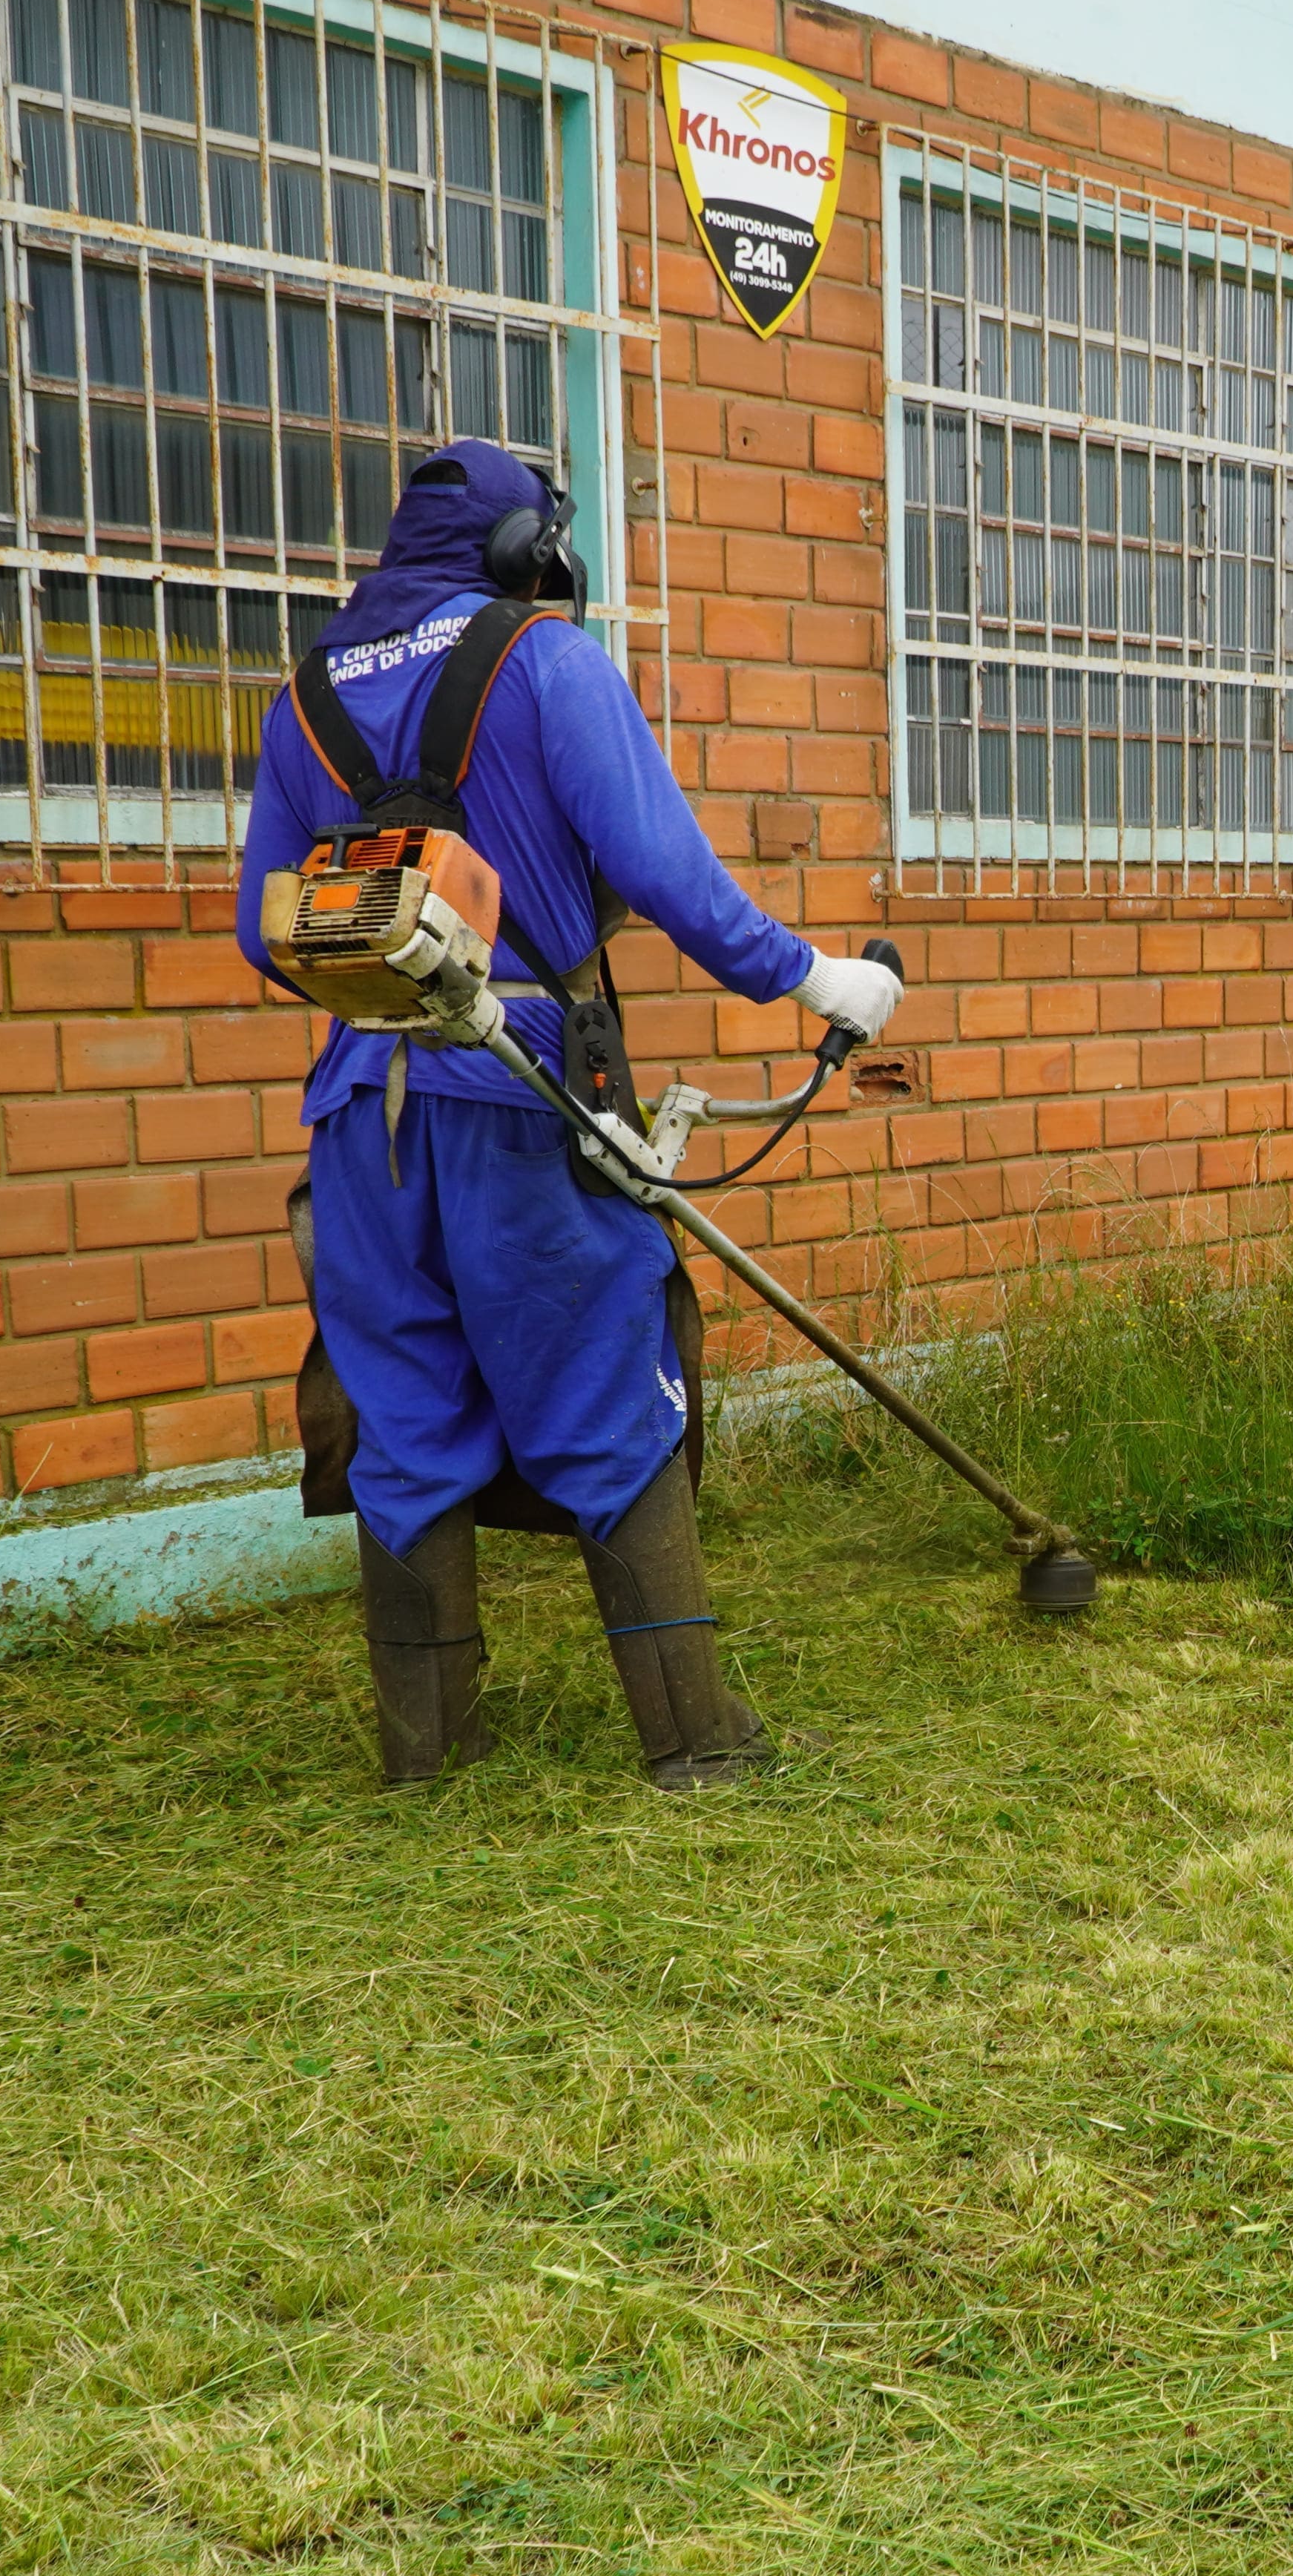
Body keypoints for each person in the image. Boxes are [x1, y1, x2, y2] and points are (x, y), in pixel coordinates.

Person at [234, 441, 903, 1788]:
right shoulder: (545, 661)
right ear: (521, 551)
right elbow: (668, 874)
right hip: (524, 1090)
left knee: (403, 1415)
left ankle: (427, 1759)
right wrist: (825, 978)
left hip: (362, 1105)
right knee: (605, 1382)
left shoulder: (301, 699)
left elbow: (264, 930)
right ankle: (698, 1740)